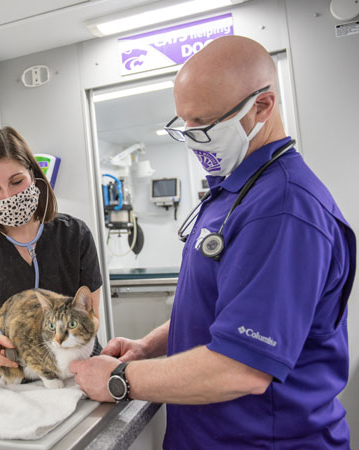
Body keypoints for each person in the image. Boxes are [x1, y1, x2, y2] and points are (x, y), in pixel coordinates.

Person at [70, 35, 356, 449]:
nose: (191, 136)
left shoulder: (282, 209)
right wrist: (149, 345)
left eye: (204, 123)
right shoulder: (234, 191)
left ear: (262, 107)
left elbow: (241, 369)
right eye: (184, 122)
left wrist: (118, 379)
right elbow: (224, 305)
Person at [0, 126, 102, 373]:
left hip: (74, 375)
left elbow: (93, 318)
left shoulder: (75, 235)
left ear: (33, 175)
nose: (9, 196)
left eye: (17, 181)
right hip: (4, 384)